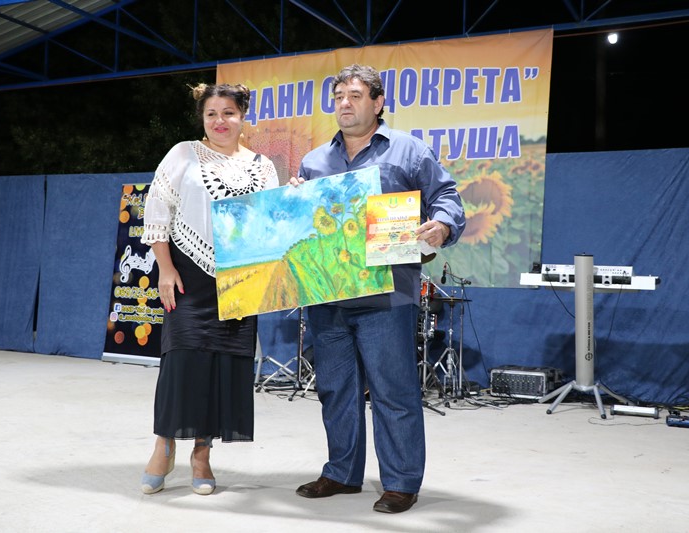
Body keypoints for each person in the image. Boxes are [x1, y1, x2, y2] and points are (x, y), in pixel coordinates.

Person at [290, 64, 466, 513]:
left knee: (393, 389)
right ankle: (341, 473)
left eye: (354, 95)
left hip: (388, 294)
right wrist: (292, 202)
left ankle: (401, 482)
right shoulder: (314, 162)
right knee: (335, 388)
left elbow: (447, 197)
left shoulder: (409, 151)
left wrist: (442, 226)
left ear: (378, 102)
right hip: (329, 293)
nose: (344, 104)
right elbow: (304, 229)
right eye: (338, 97)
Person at [139, 83, 279, 495]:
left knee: (223, 366)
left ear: (243, 117)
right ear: (202, 118)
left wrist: (290, 200)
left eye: (228, 113)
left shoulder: (262, 166)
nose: (220, 121)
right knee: (180, 362)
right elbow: (157, 210)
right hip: (186, 276)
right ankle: (164, 444)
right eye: (212, 114)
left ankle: (202, 453)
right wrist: (165, 269)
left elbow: (270, 223)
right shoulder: (183, 154)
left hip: (240, 280)